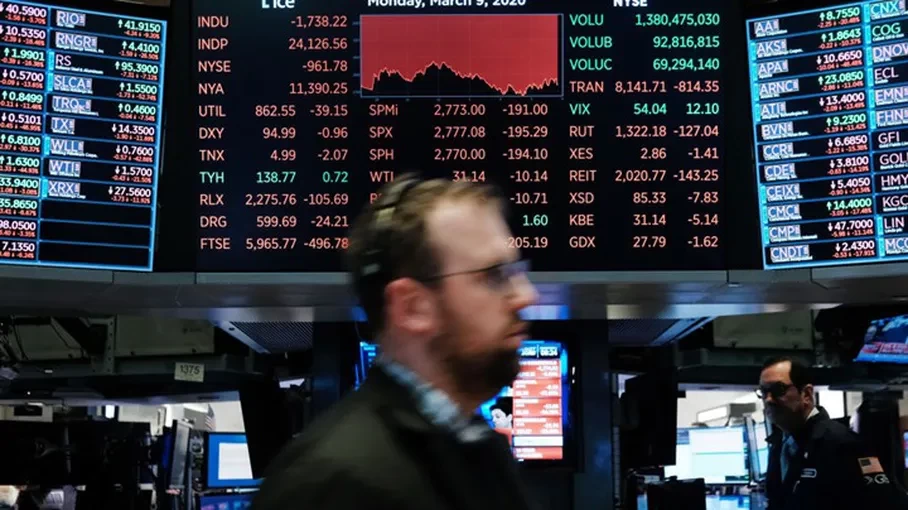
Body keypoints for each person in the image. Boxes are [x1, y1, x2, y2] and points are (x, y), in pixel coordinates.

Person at [252, 175, 538, 510]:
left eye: (517, 271)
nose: (526, 296)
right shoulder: (333, 482)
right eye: (495, 275)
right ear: (412, 307)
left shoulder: (477, 448)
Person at [758, 356, 908, 510]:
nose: (768, 399)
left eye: (778, 389)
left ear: (806, 394)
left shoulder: (843, 444)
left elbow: (888, 504)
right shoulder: (778, 446)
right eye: (764, 392)